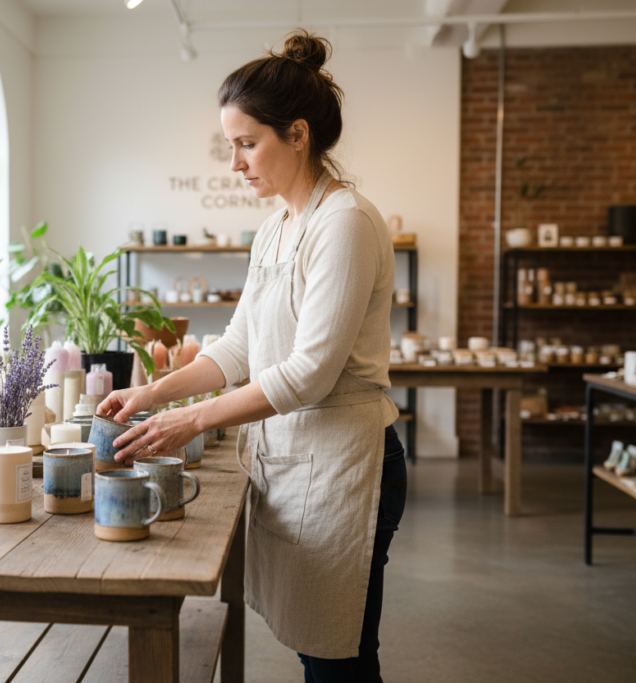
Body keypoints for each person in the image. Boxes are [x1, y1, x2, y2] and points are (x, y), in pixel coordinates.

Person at [97, 30, 406, 683]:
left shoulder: (345, 223)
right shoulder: (274, 228)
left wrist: (190, 420)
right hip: (299, 460)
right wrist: (153, 394)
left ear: (297, 135)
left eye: (246, 143)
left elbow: (309, 374)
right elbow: (237, 346)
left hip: (346, 464)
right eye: (230, 145)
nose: (234, 164)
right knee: (317, 647)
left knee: (338, 656)